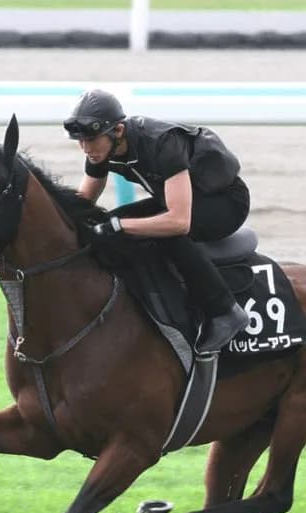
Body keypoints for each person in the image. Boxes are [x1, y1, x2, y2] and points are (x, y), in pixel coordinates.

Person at [63, 89, 250, 355]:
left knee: (159, 232)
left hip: (223, 203)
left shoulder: (162, 143)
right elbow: (83, 202)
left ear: (117, 131)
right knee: (110, 221)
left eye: (91, 140)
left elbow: (178, 222)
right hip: (179, 199)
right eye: (80, 141)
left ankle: (224, 311)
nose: (86, 148)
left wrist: (120, 227)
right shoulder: (101, 148)